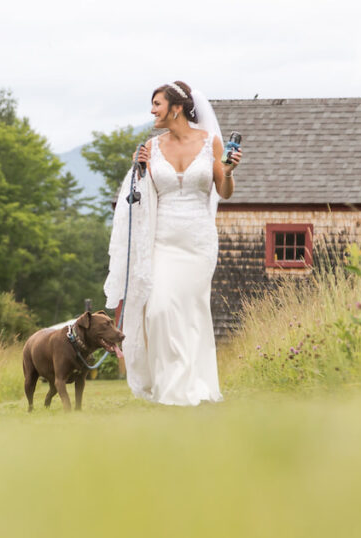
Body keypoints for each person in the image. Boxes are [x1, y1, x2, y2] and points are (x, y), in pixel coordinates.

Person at [104, 80, 241, 406]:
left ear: (176, 108)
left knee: (191, 312)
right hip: (161, 242)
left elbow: (224, 192)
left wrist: (230, 171)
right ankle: (171, 388)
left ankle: (195, 385)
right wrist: (137, 170)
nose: (152, 111)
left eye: (157, 104)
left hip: (197, 241)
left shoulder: (211, 143)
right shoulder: (150, 149)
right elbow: (136, 198)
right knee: (160, 311)